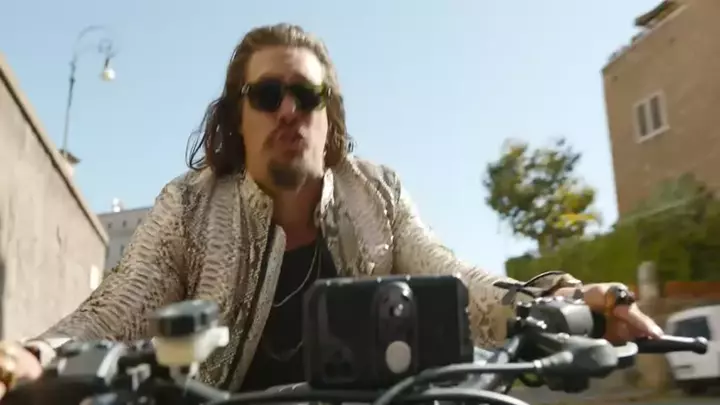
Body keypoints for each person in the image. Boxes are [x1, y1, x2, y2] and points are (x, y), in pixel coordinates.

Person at [0, 23, 663, 397]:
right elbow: (117, 307)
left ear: (329, 114)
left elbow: (455, 281)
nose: (288, 109)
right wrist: (33, 356)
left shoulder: (378, 194)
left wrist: (565, 301)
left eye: (306, 94)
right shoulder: (191, 206)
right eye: (267, 94)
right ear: (238, 117)